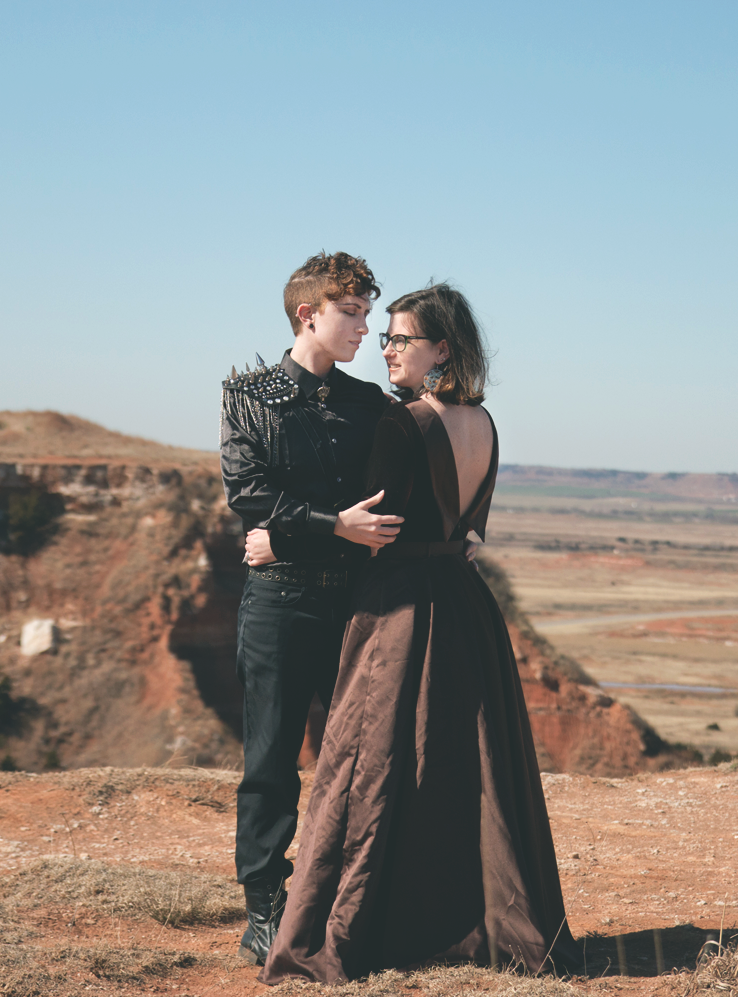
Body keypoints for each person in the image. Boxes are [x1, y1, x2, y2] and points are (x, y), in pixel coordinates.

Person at [261, 283, 583, 984]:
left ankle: (364, 928)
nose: (386, 348)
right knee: (469, 772)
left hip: (400, 610)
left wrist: (278, 541)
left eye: (401, 338)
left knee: (370, 766)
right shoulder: (485, 422)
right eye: (384, 336)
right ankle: (477, 923)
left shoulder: (402, 423)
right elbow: (470, 532)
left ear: (442, 348)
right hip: (466, 608)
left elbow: (368, 534)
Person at [220, 251, 404, 966]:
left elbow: (400, 491)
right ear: (309, 314)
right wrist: (331, 525)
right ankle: (264, 906)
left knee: (357, 758)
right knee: (268, 758)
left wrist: (464, 528)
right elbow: (247, 495)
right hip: (278, 605)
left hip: (359, 607)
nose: (367, 330)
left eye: (367, 313)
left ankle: (345, 902)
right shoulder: (248, 395)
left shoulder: (370, 406)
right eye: (352, 313)